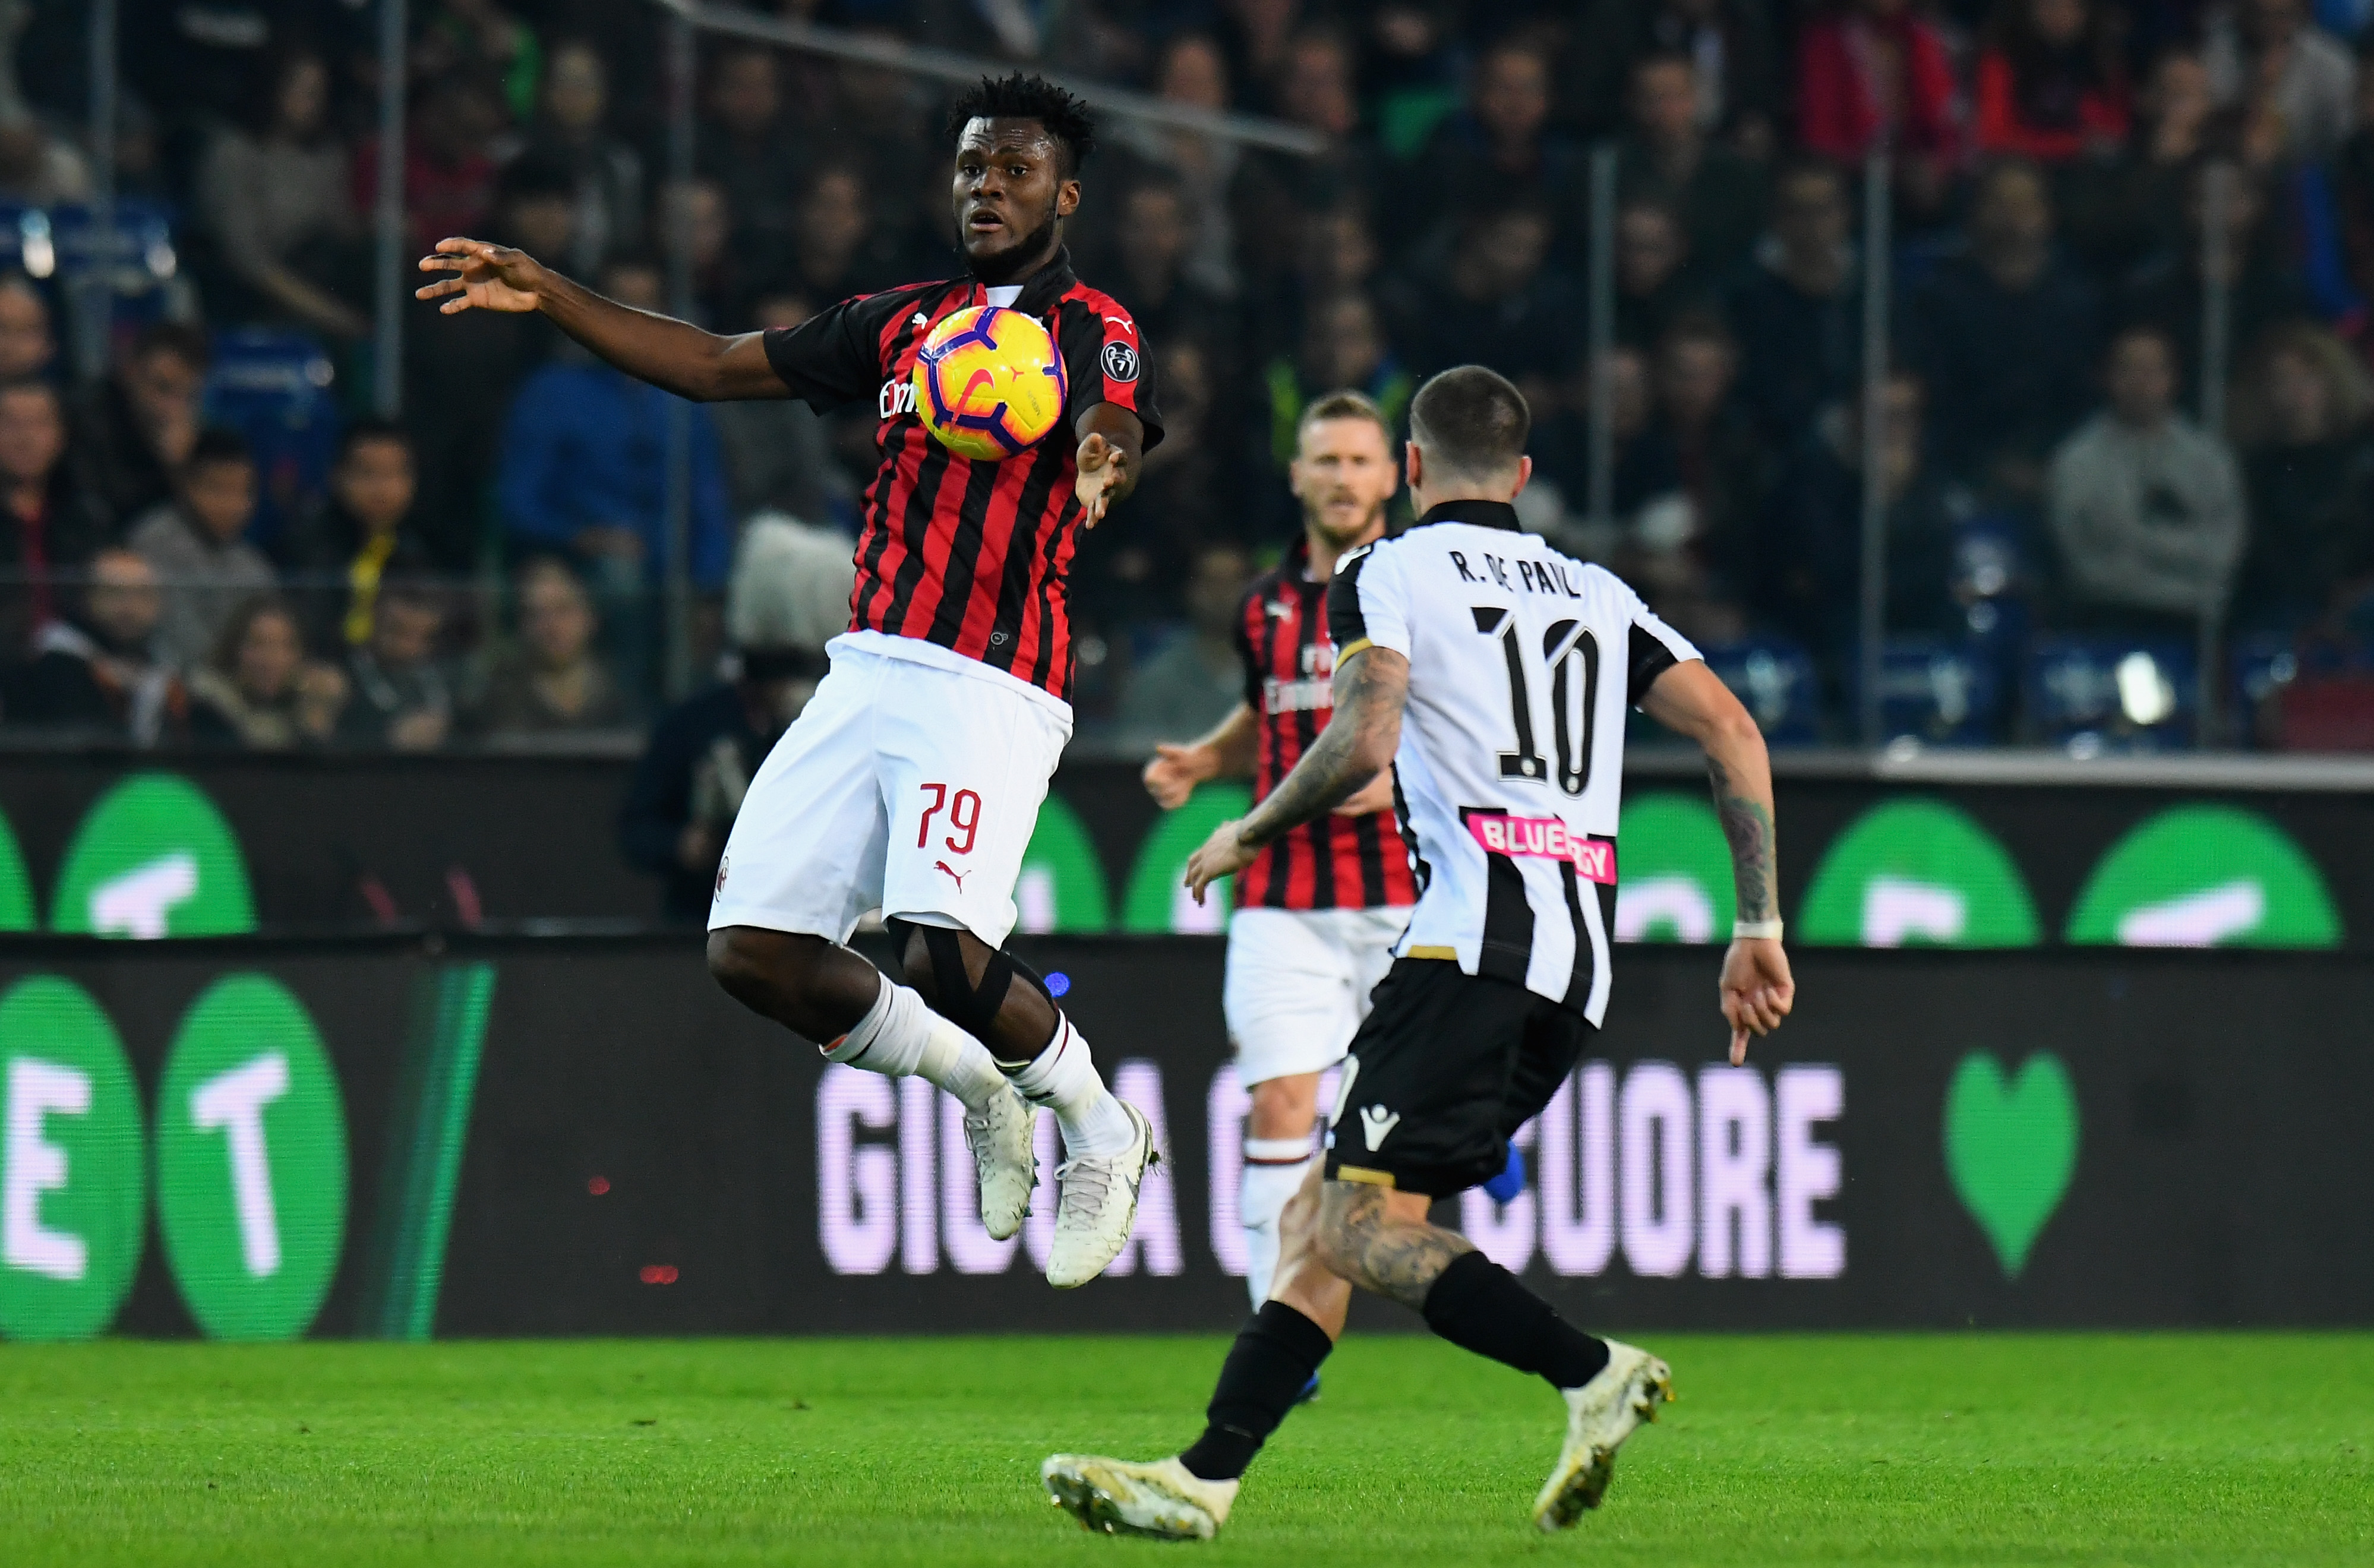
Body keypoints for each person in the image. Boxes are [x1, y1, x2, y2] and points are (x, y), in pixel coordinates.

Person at [419, 72, 1163, 1288]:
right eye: (974, 165)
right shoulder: (904, 321)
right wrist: (551, 292)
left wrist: (1100, 461)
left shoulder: (1093, 325)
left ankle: (1099, 1121)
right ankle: (981, 1081)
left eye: (1016, 170)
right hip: (868, 665)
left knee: (936, 942)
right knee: (752, 952)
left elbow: (1117, 422)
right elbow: (714, 364)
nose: (988, 187)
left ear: (1064, 194)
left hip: (991, 680)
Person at [1041, 366, 1794, 1539]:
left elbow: (1366, 730)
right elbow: (1735, 734)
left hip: (1466, 949)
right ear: (1524, 475)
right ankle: (1205, 1480)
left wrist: (1253, 823)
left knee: (1354, 1227)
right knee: (1336, 1224)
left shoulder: (1386, 571)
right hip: (1573, 966)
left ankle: (1593, 1373)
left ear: (1414, 468)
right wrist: (1758, 928)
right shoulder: (1598, 592)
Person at [1140, 391, 1416, 1320]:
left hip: (1404, 897)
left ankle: (1478, 1144)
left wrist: (1403, 776)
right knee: (1280, 1109)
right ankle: (1277, 1319)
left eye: (1358, 461)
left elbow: (1444, 736)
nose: (1342, 479)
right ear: (1297, 477)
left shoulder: (1423, 593)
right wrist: (1208, 759)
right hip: (1282, 899)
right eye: (1325, 461)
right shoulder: (1263, 606)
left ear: (1393, 476)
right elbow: (1275, 711)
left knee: (1407, 1123)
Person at [2046, 325, 2246, 636]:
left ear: (2173, 378)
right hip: (2108, 618)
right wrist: (2174, 552)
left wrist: (2131, 536)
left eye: (2152, 370)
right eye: (2129, 370)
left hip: (2192, 619)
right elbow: (2079, 561)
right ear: (2108, 377)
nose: (2141, 382)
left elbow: (2221, 555)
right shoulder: (2077, 461)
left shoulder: (2208, 460)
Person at [195, 50, 367, 340]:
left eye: (319, 93)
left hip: (326, 283)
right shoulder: (233, 154)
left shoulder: (328, 156)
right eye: (303, 91)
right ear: (272, 88)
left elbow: (342, 232)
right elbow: (248, 262)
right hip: (256, 299)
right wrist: (331, 315)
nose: (313, 104)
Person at [128, 428, 279, 671]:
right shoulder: (154, 541)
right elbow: (177, 642)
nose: (233, 505)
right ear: (187, 486)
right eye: (218, 489)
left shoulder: (253, 564)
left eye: (243, 491)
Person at [279, 418, 436, 652]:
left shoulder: (413, 548)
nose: (382, 489)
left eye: (393, 474)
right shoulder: (309, 544)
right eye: (368, 474)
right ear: (337, 476)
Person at [8, 548, 190, 745]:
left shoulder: (166, 672)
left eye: (143, 595)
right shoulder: (55, 665)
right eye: (113, 592)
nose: (129, 607)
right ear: (86, 597)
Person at [0, 377, 108, 654]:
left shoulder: (87, 520)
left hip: (77, 667)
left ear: (61, 435)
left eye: (38, 423)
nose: (24, 438)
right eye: (10, 424)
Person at [70, 320, 207, 533]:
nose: (170, 408)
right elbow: (101, 510)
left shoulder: (188, 434)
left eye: (185, 395)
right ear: (130, 371)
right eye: (162, 387)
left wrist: (181, 469)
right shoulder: (85, 420)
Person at [469, 555, 630, 736]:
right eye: (536, 614)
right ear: (522, 625)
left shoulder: (623, 695)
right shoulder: (498, 700)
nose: (552, 626)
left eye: (563, 609)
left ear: (590, 617)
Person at [1115, 543, 1252, 748]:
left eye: (1234, 582)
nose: (1222, 594)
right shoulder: (1158, 678)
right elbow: (1133, 752)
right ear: (1191, 591)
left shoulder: (1274, 669)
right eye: (1212, 583)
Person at [1974, 0, 2130, 163]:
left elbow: (2115, 128)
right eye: (2051, 5)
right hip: (2021, 164)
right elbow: (1995, 136)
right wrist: (2071, 146)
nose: (2061, 14)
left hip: (2090, 167)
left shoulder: (2101, 58)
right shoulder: (2002, 56)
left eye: (2073, 6)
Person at [188, 595, 348, 749]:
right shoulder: (208, 710)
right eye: (258, 644)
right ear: (234, 650)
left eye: (284, 646)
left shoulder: (305, 708)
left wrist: (315, 719)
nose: (271, 660)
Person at [337, 578, 454, 751]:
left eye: (423, 637)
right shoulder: (344, 679)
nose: (410, 647)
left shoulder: (447, 678)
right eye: (399, 633)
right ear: (374, 622)